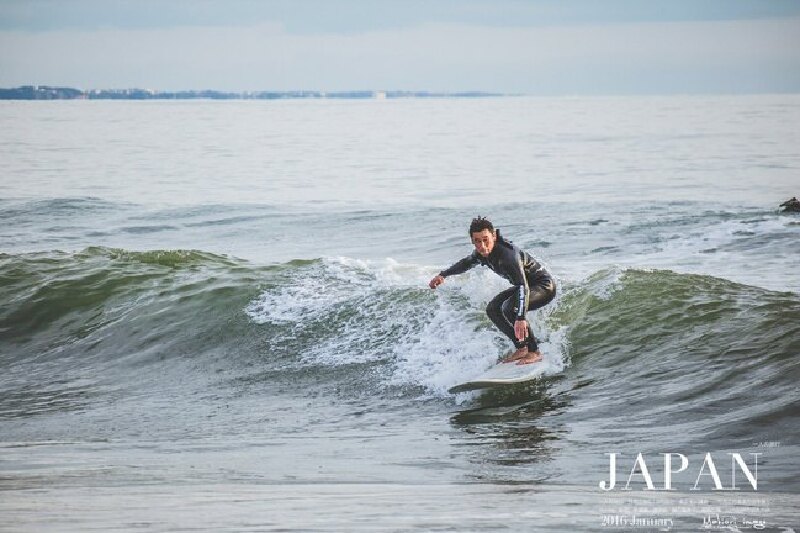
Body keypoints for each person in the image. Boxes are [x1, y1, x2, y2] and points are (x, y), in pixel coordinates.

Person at [428, 216, 557, 365]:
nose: (482, 246)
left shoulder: (508, 256)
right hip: (525, 287)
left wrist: (520, 317)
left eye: (485, 240)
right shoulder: (482, 254)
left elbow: (523, 286)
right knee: (493, 309)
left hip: (543, 287)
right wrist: (443, 274)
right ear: (472, 240)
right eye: (477, 241)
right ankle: (522, 348)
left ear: (494, 236)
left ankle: (534, 351)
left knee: (511, 309)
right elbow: (465, 264)